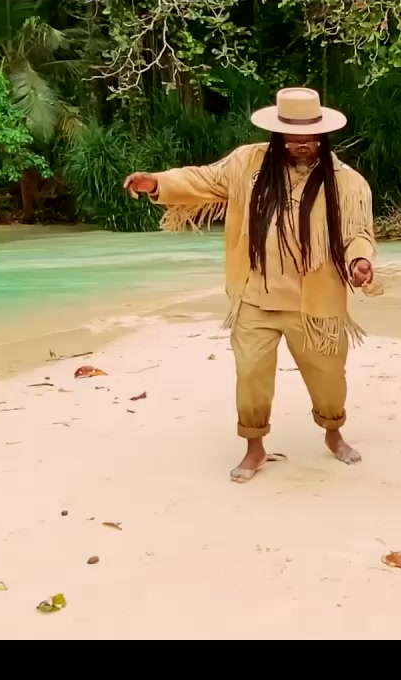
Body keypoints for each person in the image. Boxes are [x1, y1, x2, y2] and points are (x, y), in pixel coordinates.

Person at [123, 87, 379, 483]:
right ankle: (254, 447)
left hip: (315, 305)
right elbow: (203, 179)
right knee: (250, 377)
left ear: (322, 135)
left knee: (329, 379)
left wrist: (360, 261)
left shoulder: (347, 182)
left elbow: (357, 232)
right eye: (293, 136)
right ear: (278, 133)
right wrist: (157, 183)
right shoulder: (247, 164)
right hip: (255, 299)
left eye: (310, 136)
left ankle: (333, 433)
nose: (302, 144)